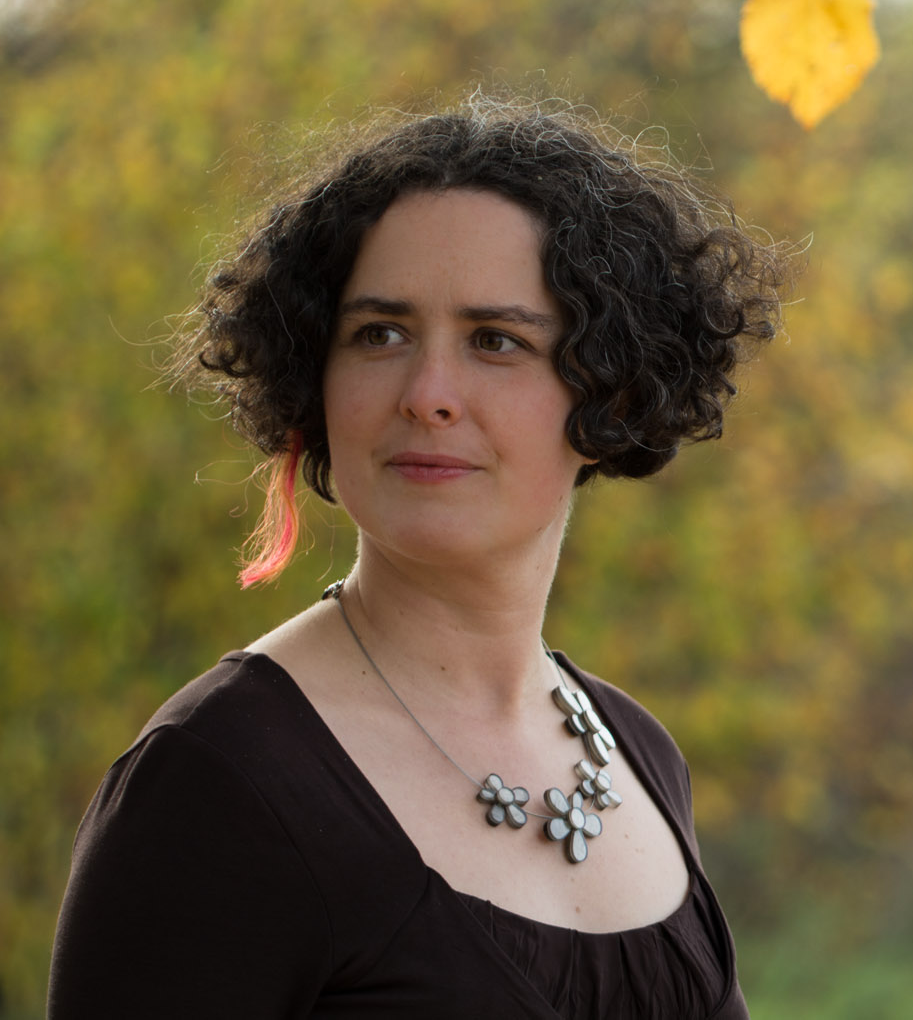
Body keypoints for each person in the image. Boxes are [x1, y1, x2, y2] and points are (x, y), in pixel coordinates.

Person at [47, 98, 793, 1018]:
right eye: (380, 334)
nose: (428, 393)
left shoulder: (639, 752)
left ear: (613, 389)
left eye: (496, 340)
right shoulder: (218, 780)